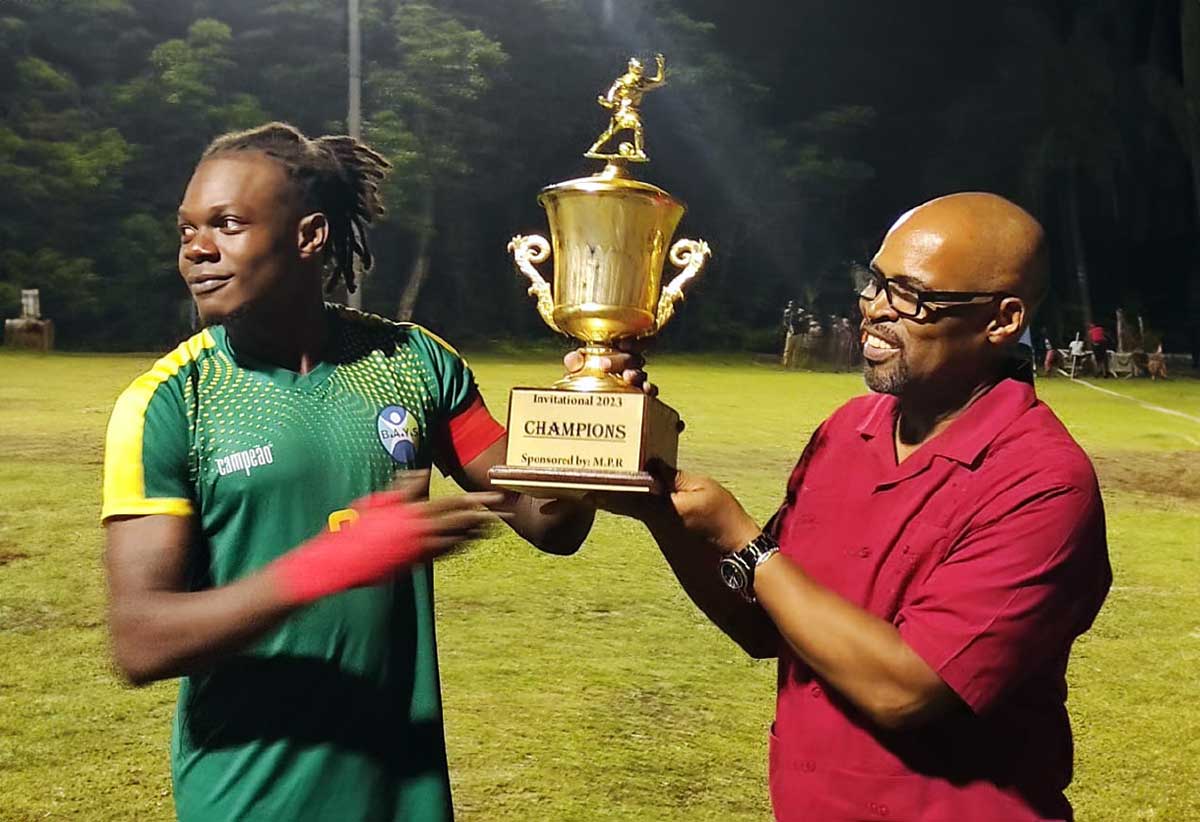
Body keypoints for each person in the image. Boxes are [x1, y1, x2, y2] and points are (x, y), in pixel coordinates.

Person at [100, 122, 644, 822]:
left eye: (227, 224)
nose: (198, 250)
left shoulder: (414, 362)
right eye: (187, 231)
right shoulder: (169, 403)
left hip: (403, 793)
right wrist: (330, 565)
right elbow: (141, 638)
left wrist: (595, 412)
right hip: (249, 798)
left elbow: (549, 520)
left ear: (310, 236)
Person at [587, 192, 1111, 821]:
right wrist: (660, 507)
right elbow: (764, 625)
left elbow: (905, 690)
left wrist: (745, 542)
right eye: (876, 283)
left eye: (911, 296)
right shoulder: (848, 430)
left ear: (1001, 320)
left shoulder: (1042, 481)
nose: (874, 312)